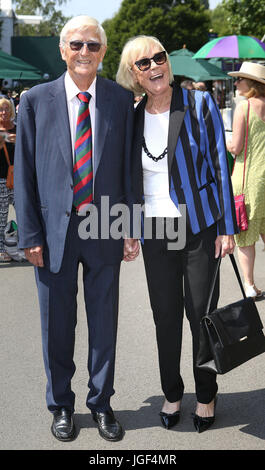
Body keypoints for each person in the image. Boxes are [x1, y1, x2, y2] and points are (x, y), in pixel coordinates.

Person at [14, 15, 138, 443]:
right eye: (76, 44)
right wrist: (29, 236)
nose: (84, 52)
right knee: (57, 325)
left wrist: (129, 227)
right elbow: (24, 174)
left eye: (92, 45)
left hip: (104, 228)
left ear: (103, 52)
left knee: (104, 324)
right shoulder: (35, 101)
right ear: (62, 50)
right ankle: (61, 405)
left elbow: (129, 172)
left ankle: (101, 404)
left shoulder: (121, 101)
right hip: (52, 234)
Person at [116, 35, 238, 433]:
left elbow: (220, 167)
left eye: (159, 58)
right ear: (134, 74)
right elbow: (128, 179)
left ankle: (205, 395)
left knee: (200, 315)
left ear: (167, 62)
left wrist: (226, 228)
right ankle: (172, 392)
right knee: (164, 317)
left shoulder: (200, 104)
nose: (154, 66)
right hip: (155, 232)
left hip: (200, 227)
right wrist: (128, 229)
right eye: (143, 63)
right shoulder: (132, 117)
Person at [227, 62, 265, 299]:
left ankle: (249, 285)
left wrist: (225, 142)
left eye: (240, 79)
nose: (236, 82)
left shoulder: (244, 108)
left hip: (247, 179)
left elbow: (236, 146)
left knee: (245, 237)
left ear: (250, 83)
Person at [0, 98, 16, 262]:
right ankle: (0, 249)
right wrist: (6, 138)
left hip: (18, 179)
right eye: (1, 109)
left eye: (6, 109)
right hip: (1, 180)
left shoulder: (18, 127)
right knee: (1, 216)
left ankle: (24, 246)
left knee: (26, 214)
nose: (4, 112)